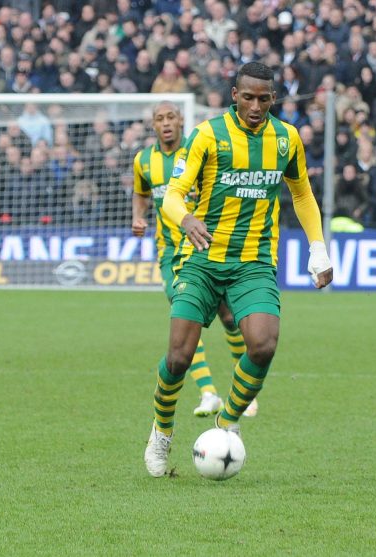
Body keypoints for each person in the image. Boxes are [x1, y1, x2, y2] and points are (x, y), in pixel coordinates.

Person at [144, 62, 333, 476]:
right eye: (248, 97)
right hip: (205, 259)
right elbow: (174, 194)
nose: (255, 106)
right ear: (234, 95)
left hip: (254, 262)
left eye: (264, 99)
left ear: (273, 100)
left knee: (263, 345)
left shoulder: (286, 139)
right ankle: (161, 430)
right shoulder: (208, 135)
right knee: (178, 358)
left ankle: (226, 424)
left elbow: (301, 194)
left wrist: (317, 246)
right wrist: (186, 219)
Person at [135, 101, 258, 477]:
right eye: (160, 118)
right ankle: (204, 393)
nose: (167, 123)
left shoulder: (199, 149)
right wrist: (138, 217)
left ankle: (239, 381)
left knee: (228, 316)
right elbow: (142, 193)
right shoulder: (144, 161)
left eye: (172, 117)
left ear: (181, 121)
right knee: (181, 331)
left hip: (211, 248)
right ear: (153, 125)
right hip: (173, 254)